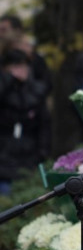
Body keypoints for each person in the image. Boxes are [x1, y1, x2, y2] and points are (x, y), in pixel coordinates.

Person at [0, 48, 51, 196]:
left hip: (29, 156)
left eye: (23, 66)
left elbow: (44, 125)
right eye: (15, 66)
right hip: (3, 155)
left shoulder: (36, 90)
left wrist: (43, 153)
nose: (20, 71)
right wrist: (8, 79)